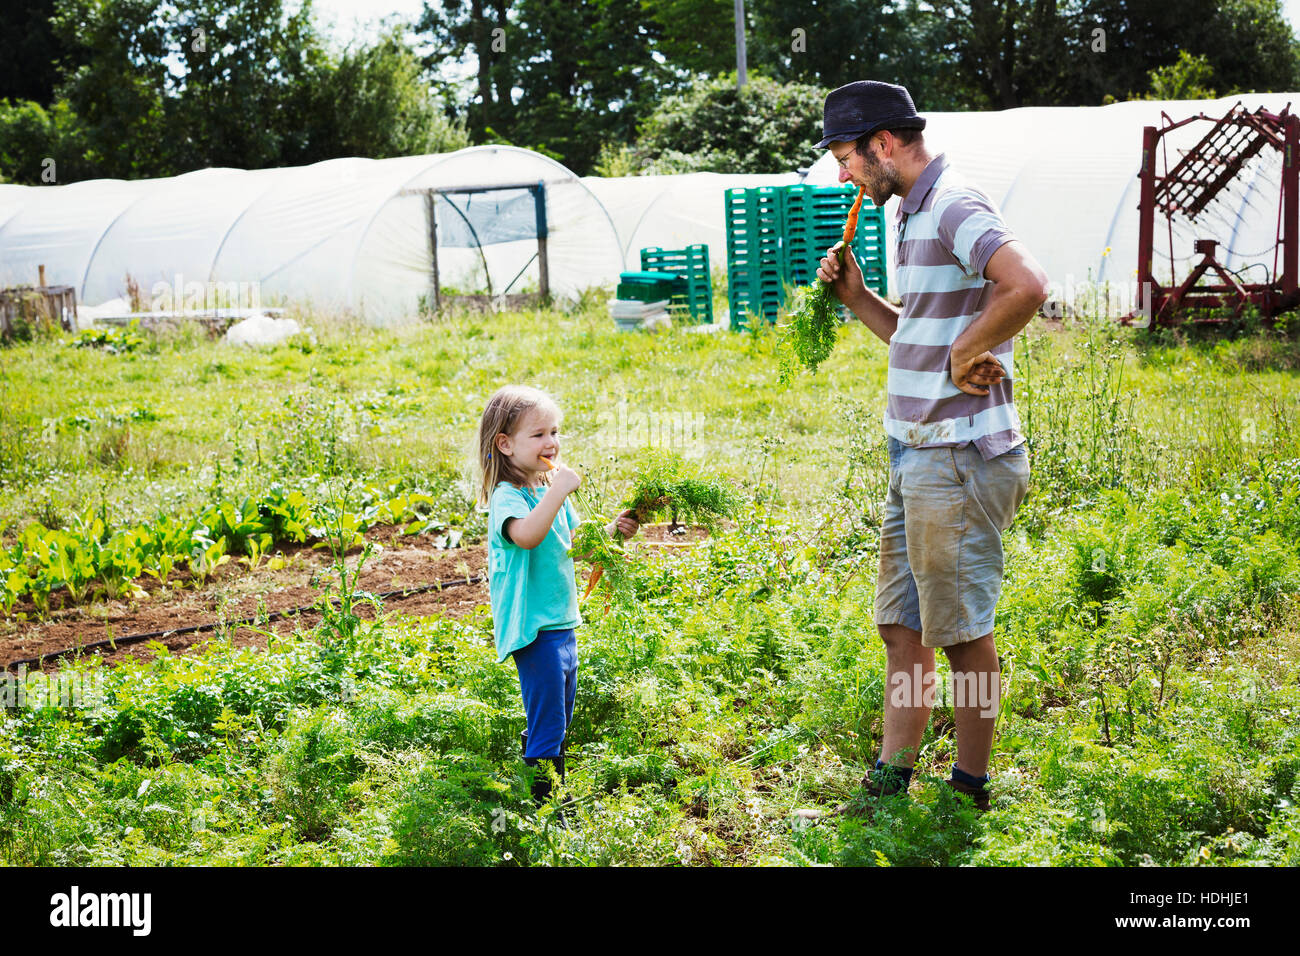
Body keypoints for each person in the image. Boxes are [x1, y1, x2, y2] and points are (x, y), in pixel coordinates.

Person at [799, 81, 1050, 819]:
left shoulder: (952, 203)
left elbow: (1027, 284)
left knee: (962, 633)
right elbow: (919, 334)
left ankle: (969, 792)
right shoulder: (908, 213)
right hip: (916, 453)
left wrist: (972, 346)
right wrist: (858, 298)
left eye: (845, 157)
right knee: (901, 627)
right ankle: (890, 779)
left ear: (881, 144)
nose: (843, 175)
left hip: (959, 454)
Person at [476, 385, 639, 805]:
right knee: (550, 724)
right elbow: (528, 536)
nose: (551, 442)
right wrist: (558, 490)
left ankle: (544, 789)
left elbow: (576, 546)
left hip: (562, 622)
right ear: (505, 444)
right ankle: (545, 812)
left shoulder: (548, 491)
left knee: (557, 719)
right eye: (538, 435)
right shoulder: (508, 497)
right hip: (534, 628)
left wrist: (611, 533)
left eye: (555, 431)